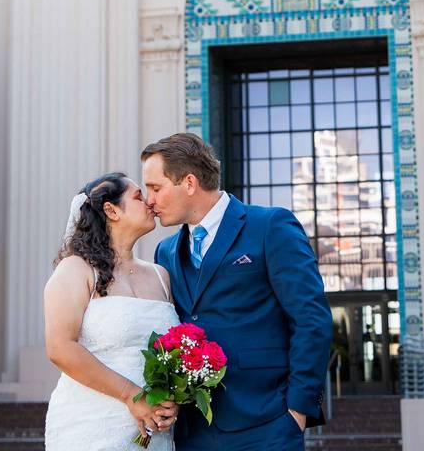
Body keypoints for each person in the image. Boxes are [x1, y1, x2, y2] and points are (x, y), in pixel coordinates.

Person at [143, 133, 331, 451]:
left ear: (189, 182)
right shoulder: (165, 251)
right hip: (193, 430)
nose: (149, 200)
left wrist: (297, 411)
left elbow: (311, 319)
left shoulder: (270, 227)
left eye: (155, 188)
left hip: (267, 423)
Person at [44, 172, 180, 450]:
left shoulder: (161, 276)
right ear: (111, 210)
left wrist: (171, 400)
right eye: (139, 197)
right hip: (92, 423)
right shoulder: (76, 270)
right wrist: (132, 397)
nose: (150, 202)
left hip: (154, 429)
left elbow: (173, 351)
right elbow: (59, 347)